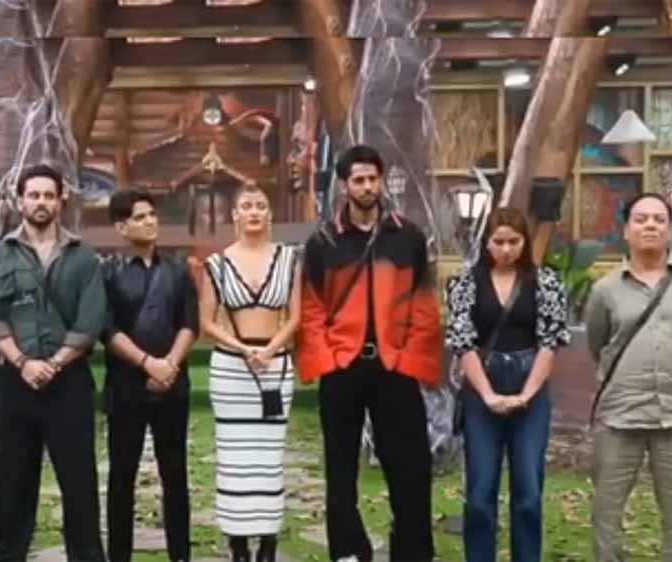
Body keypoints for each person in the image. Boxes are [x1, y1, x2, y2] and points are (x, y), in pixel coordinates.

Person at [297, 145, 442, 562]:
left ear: (381, 182)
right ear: (344, 186)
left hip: (395, 365)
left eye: (372, 179)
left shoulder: (408, 237)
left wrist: (410, 359)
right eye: (358, 180)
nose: (366, 187)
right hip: (343, 365)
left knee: (410, 468)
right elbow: (311, 308)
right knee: (341, 469)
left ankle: (413, 552)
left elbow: (424, 304)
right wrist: (327, 359)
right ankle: (348, 552)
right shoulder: (324, 241)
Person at [0, 164, 107, 562]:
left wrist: (54, 363)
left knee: (79, 484)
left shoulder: (82, 257)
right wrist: (23, 363)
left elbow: (91, 319)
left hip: (69, 384)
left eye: (49, 196)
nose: (41, 202)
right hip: (16, 383)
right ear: (20, 201)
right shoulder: (0, 255)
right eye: (33, 195)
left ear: (61, 201)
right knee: (13, 485)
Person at [445, 207, 571, 562]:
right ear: (486, 242)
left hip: (529, 380)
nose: (505, 249)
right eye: (498, 242)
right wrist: (487, 394)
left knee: (528, 492)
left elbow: (550, 342)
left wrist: (527, 393)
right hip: (482, 383)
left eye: (513, 242)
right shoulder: (466, 283)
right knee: (480, 492)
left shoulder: (545, 281)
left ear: (524, 242)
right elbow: (462, 342)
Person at [586, 193, 672, 562]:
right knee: (606, 514)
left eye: (658, 219)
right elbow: (599, 345)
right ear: (626, 230)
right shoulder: (605, 289)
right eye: (641, 219)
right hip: (619, 416)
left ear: (670, 229)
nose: (650, 225)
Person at [200, 184, 301, 562]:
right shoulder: (217, 264)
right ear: (235, 215)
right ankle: (238, 542)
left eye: (261, 205)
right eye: (246, 205)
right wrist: (244, 349)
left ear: (269, 214)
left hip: (275, 366)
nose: (254, 211)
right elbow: (206, 321)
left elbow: (296, 316)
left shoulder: (289, 259)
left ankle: (268, 541)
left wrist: (271, 349)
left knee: (269, 457)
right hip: (232, 367)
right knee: (234, 456)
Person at [101, 190, 198, 562]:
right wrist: (147, 364)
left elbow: (189, 323)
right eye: (140, 217)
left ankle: (180, 555)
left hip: (172, 386)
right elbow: (107, 330)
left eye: (152, 215)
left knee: (175, 476)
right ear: (121, 227)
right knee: (121, 477)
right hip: (126, 388)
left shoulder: (177, 271)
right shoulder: (108, 273)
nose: (150, 222)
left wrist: (169, 364)